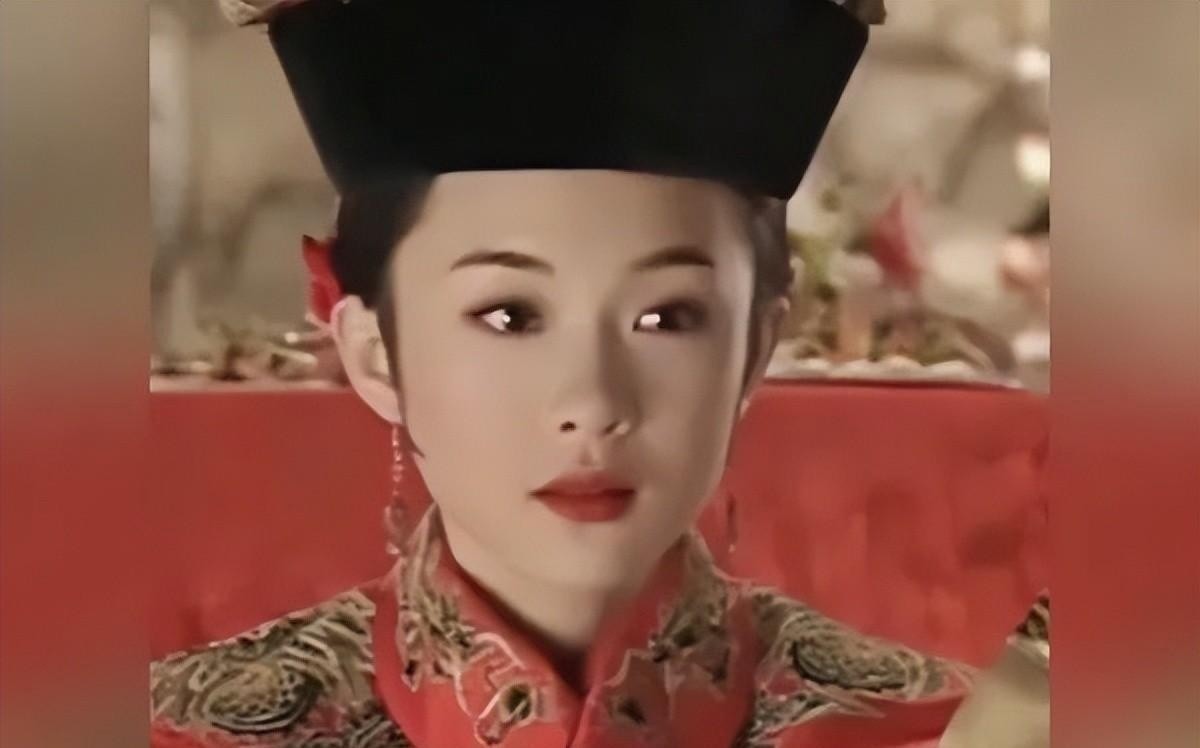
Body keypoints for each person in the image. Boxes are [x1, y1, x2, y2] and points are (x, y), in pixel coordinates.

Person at [152, 1, 1045, 746]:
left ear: (754, 348)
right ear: (375, 353)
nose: (592, 403)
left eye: (667, 317)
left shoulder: (933, 729)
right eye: (510, 315)